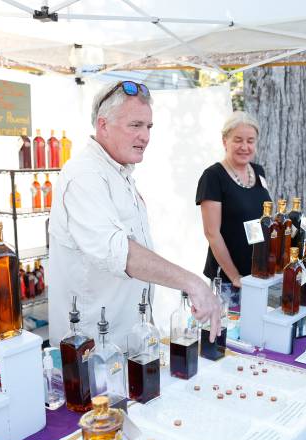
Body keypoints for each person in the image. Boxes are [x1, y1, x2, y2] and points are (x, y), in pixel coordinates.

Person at [47, 81, 221, 348]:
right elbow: (118, 252)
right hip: (92, 349)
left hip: (128, 341)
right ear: (103, 125)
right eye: (135, 125)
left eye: (148, 127)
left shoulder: (118, 171)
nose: (145, 136)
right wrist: (193, 283)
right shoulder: (85, 176)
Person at [196, 111, 271, 298]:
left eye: (250, 141)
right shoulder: (213, 177)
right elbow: (212, 233)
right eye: (238, 140)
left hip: (258, 275)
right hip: (230, 281)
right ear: (225, 141)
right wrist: (235, 277)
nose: (245, 147)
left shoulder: (259, 171)